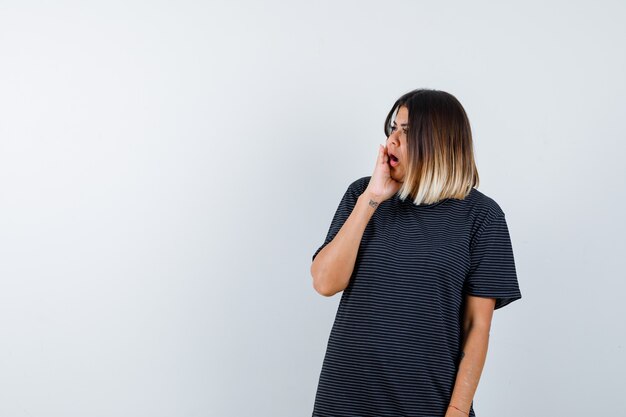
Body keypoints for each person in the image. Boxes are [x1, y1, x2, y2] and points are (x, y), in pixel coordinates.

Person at [310, 88, 522, 417]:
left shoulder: (482, 217)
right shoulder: (361, 196)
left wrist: (457, 410)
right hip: (344, 401)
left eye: (405, 132)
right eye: (392, 128)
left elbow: (476, 327)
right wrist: (372, 199)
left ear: (438, 139)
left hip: (427, 405)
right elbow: (325, 282)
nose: (391, 140)